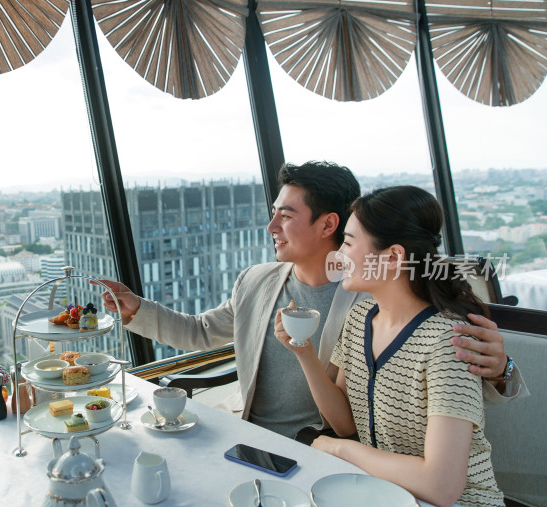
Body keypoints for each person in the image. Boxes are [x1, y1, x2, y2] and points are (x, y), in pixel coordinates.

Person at [99, 161, 527, 439]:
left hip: (325, 446)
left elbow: (432, 379)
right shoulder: (257, 281)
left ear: (329, 225)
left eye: (286, 215)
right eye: (273, 212)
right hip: (248, 434)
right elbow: (201, 332)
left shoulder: (373, 296)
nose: (271, 226)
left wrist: (502, 370)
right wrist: (137, 309)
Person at [274, 186, 507, 507]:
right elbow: (343, 422)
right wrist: (303, 350)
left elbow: (442, 486)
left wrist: (339, 449)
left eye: (349, 243)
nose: (338, 254)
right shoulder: (359, 319)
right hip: (390, 503)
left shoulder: (449, 342)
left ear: (394, 256)